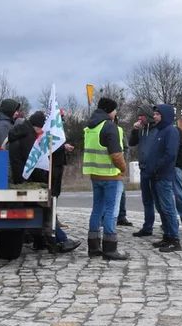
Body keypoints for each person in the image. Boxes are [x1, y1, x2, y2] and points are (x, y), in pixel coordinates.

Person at [8, 111, 81, 253]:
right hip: (28, 180)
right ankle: (61, 240)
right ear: (37, 126)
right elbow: (33, 163)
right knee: (47, 210)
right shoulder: (28, 138)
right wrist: (44, 175)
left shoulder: (18, 134)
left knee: (38, 211)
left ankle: (41, 241)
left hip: (20, 178)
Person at [83, 97, 129, 261]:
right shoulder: (110, 126)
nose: (115, 113)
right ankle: (110, 248)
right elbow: (116, 154)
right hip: (111, 176)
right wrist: (123, 169)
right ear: (110, 111)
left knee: (97, 209)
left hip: (95, 175)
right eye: (115, 110)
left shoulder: (91, 126)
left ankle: (93, 246)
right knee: (111, 211)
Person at [147, 104, 182, 252]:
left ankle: (174, 239)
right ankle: (167, 235)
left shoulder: (171, 131)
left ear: (165, 115)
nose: (154, 116)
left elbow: (170, 154)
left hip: (164, 175)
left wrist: (157, 167)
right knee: (161, 207)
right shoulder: (160, 131)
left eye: (157, 114)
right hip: (155, 176)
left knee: (168, 208)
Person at [128, 106, 158, 237]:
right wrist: (135, 130)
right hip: (144, 168)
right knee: (147, 200)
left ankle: (168, 225)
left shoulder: (157, 129)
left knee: (160, 200)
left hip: (155, 170)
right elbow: (132, 143)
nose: (139, 118)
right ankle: (148, 226)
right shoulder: (141, 130)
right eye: (138, 115)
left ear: (148, 116)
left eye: (142, 116)